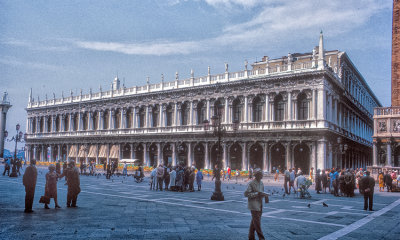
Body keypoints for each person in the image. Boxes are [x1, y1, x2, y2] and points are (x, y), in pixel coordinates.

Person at [244, 168, 266, 240]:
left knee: (254, 221)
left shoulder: (261, 183)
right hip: (253, 205)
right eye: (260, 175)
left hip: (260, 204)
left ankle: (251, 237)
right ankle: (261, 238)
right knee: (257, 222)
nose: (262, 176)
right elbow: (246, 194)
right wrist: (257, 194)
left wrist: (265, 196)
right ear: (257, 175)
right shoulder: (251, 183)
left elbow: (261, 192)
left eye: (262, 175)